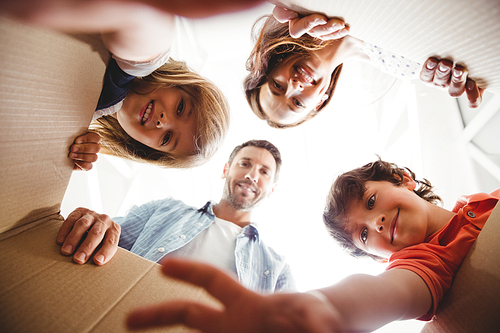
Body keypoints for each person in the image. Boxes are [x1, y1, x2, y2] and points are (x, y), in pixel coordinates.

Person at [125, 159, 499, 332]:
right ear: (377, 258)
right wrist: (321, 306)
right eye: (365, 236)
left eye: (370, 203)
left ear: (403, 179)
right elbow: (384, 292)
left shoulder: (484, 200)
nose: (376, 223)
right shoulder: (426, 263)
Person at [1, 0, 236, 171]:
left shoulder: (92, 118)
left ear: (144, 149)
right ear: (180, 83)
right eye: (181, 108)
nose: (163, 121)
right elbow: (142, 16)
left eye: (166, 138)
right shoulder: (142, 62)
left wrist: (65, 148)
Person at [56, 139, 295, 293]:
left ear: (271, 189)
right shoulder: (164, 210)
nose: (252, 175)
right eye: (245, 163)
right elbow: (105, 239)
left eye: (264, 172)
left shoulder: (276, 267)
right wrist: (94, 225)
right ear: (226, 170)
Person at [244, 5, 485, 128]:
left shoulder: (303, 8)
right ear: (320, 100)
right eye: (297, 102)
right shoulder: (404, 66)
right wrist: (476, 64)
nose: (294, 86)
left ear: (272, 65)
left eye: (278, 85)